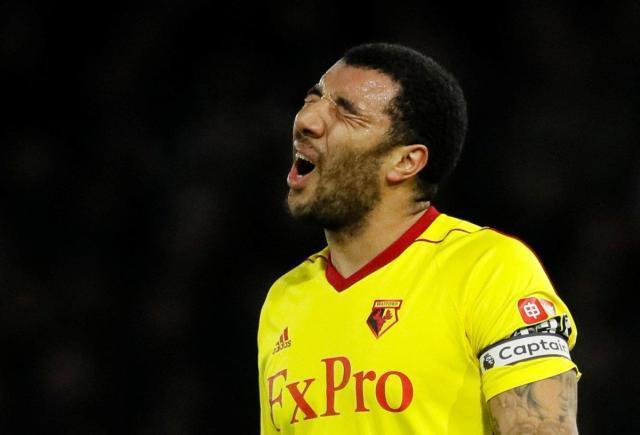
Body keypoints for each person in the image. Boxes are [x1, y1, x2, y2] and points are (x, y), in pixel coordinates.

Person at [257, 42, 580, 434]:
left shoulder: (488, 268)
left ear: (406, 161)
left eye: (346, 112)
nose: (307, 119)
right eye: (312, 99)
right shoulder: (284, 299)